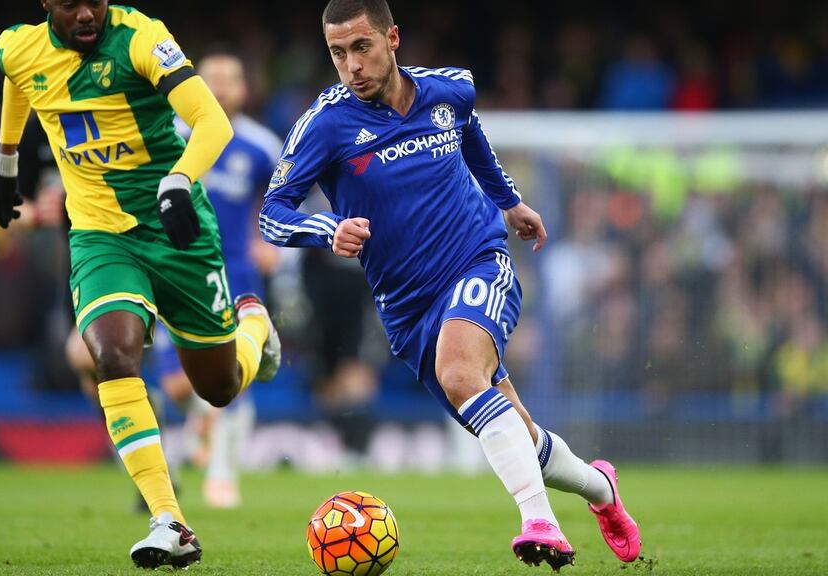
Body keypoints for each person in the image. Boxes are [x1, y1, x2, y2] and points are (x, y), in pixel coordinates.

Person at [260, 0, 641, 570]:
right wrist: (327, 228)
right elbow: (273, 212)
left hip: (477, 260)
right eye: (338, 53)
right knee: (521, 436)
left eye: (361, 47)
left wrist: (508, 202)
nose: (351, 66)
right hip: (406, 307)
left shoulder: (450, 90)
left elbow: (472, 139)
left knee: (461, 373)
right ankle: (602, 490)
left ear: (393, 38)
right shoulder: (326, 124)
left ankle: (539, 522)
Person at [0, 2, 281, 569]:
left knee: (217, 388)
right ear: (47, 4)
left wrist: (177, 179)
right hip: (100, 234)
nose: (85, 14)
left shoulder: (142, 38)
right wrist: (5, 158)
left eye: (94, 1)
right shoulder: (17, 45)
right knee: (113, 353)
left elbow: (212, 121)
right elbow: (17, 76)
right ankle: (170, 519)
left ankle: (254, 326)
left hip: (176, 227)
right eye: (70, 4)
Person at [156, 49, 283, 508]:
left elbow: (283, 201)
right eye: (212, 78)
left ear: (244, 88)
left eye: (231, 78)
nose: (222, 87)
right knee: (176, 385)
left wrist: (272, 244)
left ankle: (223, 474)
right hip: (177, 272)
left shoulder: (261, 146)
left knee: (230, 374)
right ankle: (202, 421)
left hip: (237, 273)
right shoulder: (169, 137)